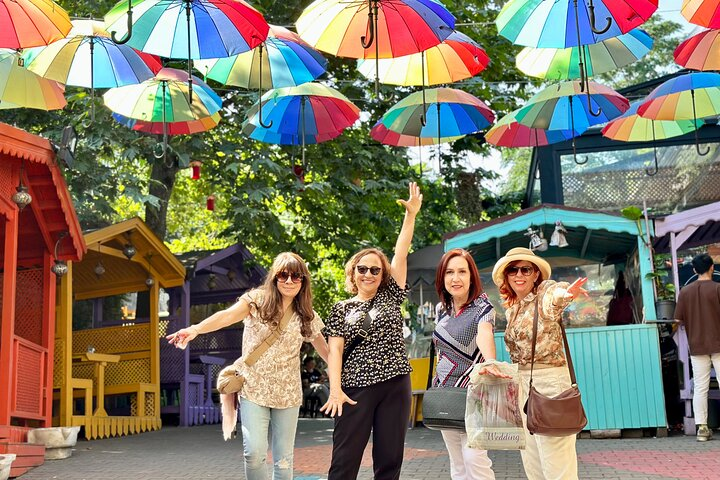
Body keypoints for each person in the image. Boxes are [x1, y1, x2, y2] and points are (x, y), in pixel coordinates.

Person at [166, 252, 329, 480]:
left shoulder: (306, 315)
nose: (289, 281)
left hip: (288, 393)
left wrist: (345, 377)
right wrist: (195, 329)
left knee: (283, 460)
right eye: (283, 275)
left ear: (303, 281)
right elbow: (226, 316)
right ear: (274, 277)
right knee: (253, 454)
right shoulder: (257, 300)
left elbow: (327, 351)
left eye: (296, 276)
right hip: (253, 387)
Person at [321, 182, 422, 480]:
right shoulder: (341, 308)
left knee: (390, 458)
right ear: (353, 273)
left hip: (395, 384)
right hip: (355, 388)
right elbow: (335, 350)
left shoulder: (390, 296)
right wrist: (336, 388)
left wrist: (411, 216)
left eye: (375, 270)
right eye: (362, 269)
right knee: (345, 458)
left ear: (382, 275)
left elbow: (400, 254)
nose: (368, 274)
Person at [491, 247, 587, 480]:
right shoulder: (514, 308)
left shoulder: (544, 293)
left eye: (526, 269)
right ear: (506, 276)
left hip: (549, 385)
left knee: (556, 466)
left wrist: (566, 293)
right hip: (524, 387)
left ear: (536, 274)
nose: (519, 274)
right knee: (533, 465)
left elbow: (556, 296)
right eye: (513, 269)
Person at [433, 248, 506, 480]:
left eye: (462, 272)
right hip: (446, 393)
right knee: (457, 462)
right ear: (442, 278)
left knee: (475, 458)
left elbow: (484, 333)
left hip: (474, 393)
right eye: (450, 272)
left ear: (472, 276)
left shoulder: (483, 308)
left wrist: (491, 361)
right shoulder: (440, 310)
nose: (456, 278)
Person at [674, 253, 720, 442]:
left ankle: (702, 428)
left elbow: (677, 319)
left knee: (700, 387)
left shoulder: (685, 292)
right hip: (719, 343)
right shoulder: (718, 289)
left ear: (694, 270)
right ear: (712, 268)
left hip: (697, 345)